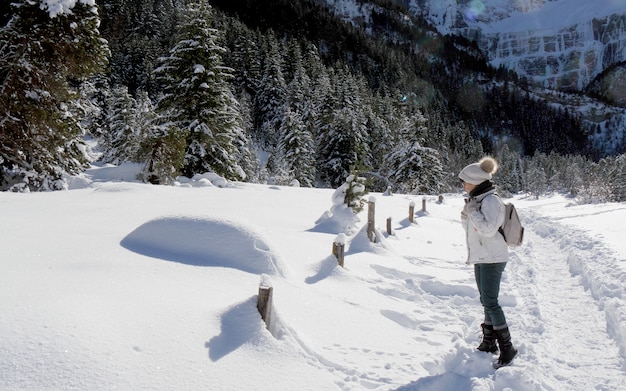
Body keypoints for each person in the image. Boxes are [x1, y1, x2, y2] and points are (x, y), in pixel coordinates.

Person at [459, 156, 518, 368]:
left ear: (475, 182)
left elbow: (488, 229)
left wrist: (472, 212)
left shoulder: (491, 201)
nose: (463, 186)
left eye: (465, 181)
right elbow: (474, 231)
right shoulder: (479, 200)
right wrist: (467, 215)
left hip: (493, 257)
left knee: (491, 302)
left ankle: (507, 348)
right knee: (486, 300)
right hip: (482, 256)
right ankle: (489, 342)